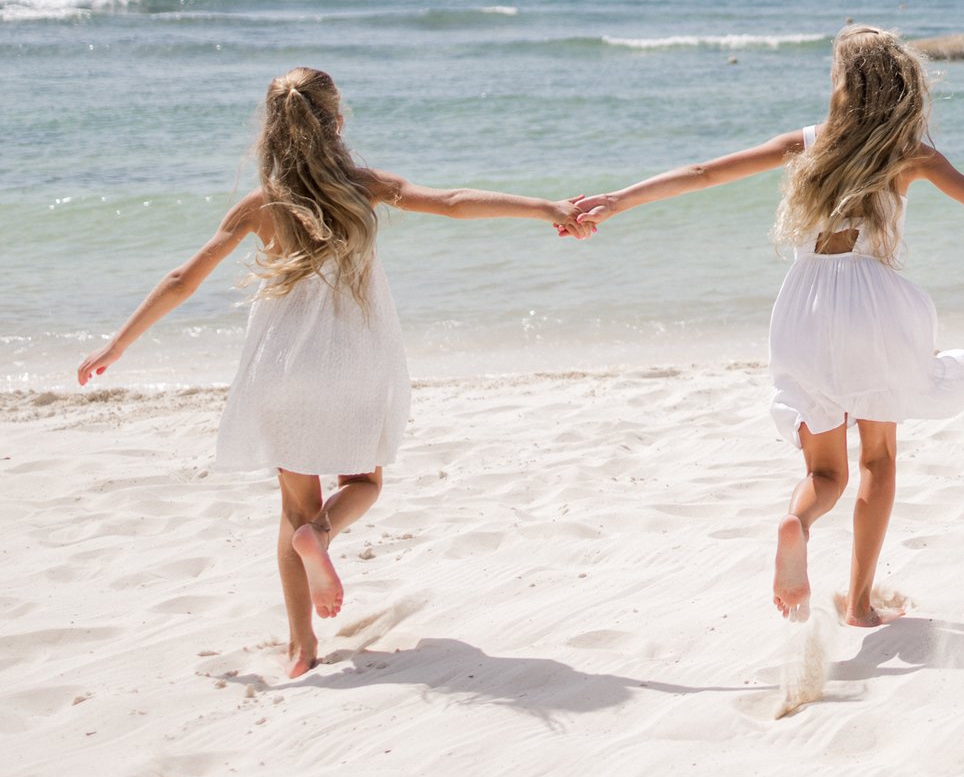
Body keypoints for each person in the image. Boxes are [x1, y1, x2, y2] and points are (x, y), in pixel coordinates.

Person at [568, 25, 964, 625]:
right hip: (873, 310)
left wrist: (617, 199)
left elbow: (704, 173)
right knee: (878, 460)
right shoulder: (911, 154)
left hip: (804, 309)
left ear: (843, 86)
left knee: (824, 469)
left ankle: (798, 521)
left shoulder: (809, 142)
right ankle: (859, 604)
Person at [74, 67, 587, 678]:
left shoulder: (260, 207)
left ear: (271, 132)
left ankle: (301, 648)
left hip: (283, 372)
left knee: (291, 510)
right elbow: (453, 203)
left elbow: (183, 278)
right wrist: (547, 207)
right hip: (355, 365)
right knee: (363, 483)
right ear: (337, 123)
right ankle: (322, 533)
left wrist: (117, 344)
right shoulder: (364, 186)